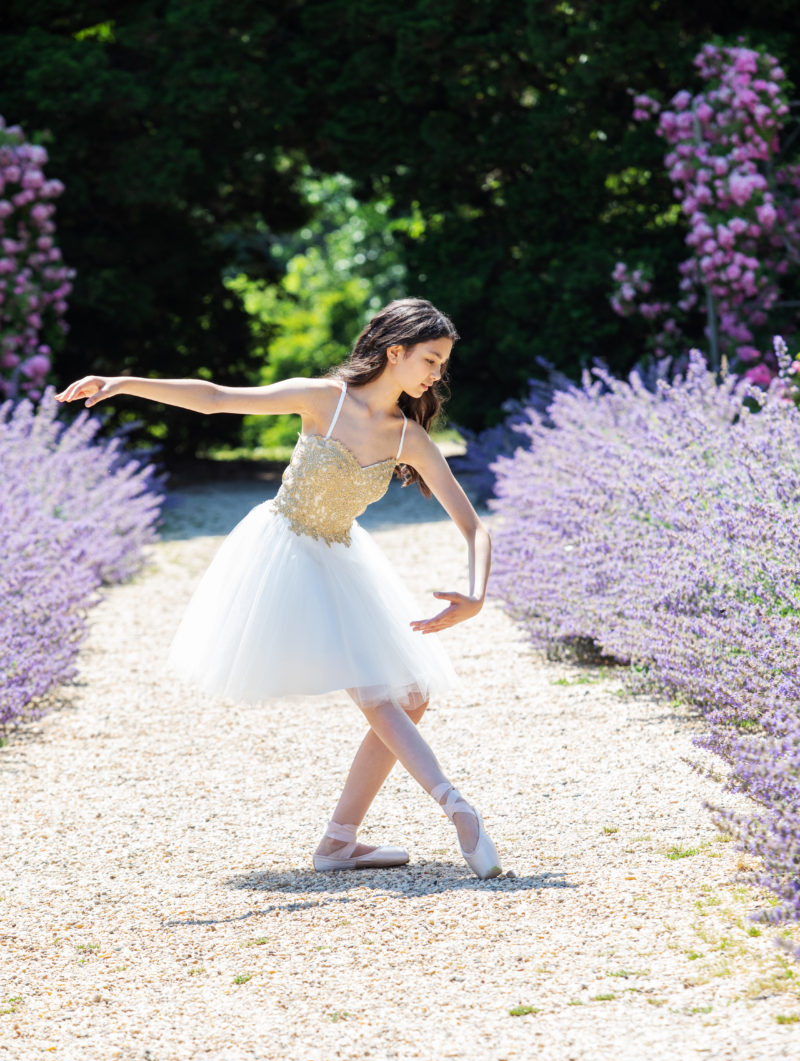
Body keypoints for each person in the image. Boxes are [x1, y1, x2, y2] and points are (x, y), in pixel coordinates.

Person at [55, 297, 502, 879]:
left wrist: (475, 594)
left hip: (341, 557)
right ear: (395, 352)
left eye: (442, 364)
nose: (437, 374)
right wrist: (122, 382)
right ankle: (456, 806)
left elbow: (474, 528)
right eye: (431, 359)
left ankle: (338, 843)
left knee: (412, 697)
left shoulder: (408, 438)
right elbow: (216, 399)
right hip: (286, 551)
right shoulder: (324, 399)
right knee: (377, 694)